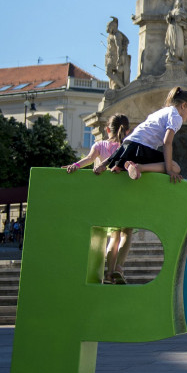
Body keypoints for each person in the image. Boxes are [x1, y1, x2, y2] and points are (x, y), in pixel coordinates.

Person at [64, 114, 134, 284]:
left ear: (107, 129)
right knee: (126, 233)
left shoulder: (99, 145)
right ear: (128, 130)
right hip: (125, 196)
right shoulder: (128, 147)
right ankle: (118, 268)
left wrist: (75, 166)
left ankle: (109, 273)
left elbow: (88, 159)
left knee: (113, 236)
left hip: (107, 198)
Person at [96, 87, 187, 182]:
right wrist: (169, 170)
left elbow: (130, 142)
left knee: (128, 159)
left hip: (128, 145)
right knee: (175, 167)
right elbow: (167, 142)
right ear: (184, 105)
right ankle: (139, 167)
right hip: (141, 148)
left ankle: (118, 165)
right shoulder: (176, 116)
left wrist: (104, 163)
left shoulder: (163, 111)